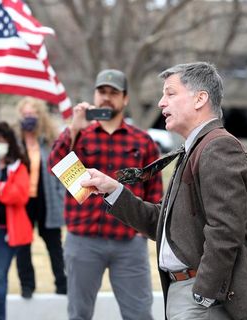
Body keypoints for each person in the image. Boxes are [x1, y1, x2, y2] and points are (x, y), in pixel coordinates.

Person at [80, 62, 247, 320]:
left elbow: (226, 230)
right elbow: (163, 224)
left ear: (200, 99)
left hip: (200, 298)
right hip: (186, 292)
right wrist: (113, 190)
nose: (161, 103)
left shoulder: (217, 147)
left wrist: (203, 293)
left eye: (170, 94)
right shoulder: (195, 148)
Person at [48, 69, 163, 320]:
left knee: (140, 314)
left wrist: (145, 232)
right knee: (79, 314)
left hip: (129, 242)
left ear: (125, 99)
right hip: (83, 241)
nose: (107, 98)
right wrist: (73, 129)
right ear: (94, 95)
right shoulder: (79, 137)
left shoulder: (143, 142)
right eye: (102, 92)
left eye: (114, 93)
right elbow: (54, 165)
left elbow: (154, 195)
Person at [15, 97, 67, 297]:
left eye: (33, 114)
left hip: (47, 199)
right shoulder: (15, 142)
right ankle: (27, 286)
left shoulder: (51, 140)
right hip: (22, 201)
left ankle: (62, 285)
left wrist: (62, 196)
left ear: (40, 116)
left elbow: (65, 170)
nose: (29, 118)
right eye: (25, 115)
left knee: (54, 243)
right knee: (22, 245)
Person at [0, 121, 33, 320]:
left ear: (9, 142)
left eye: (2, 140)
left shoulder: (18, 166)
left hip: (5, 232)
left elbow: (19, 196)